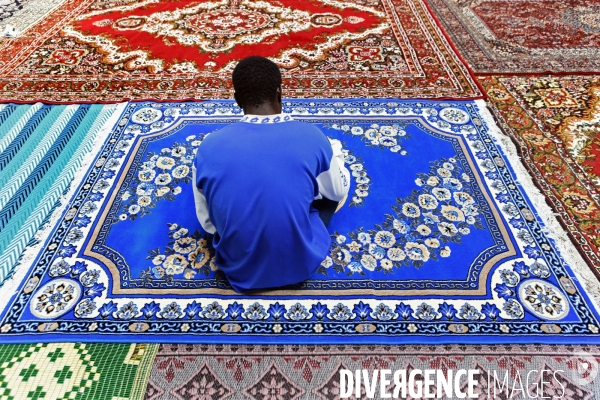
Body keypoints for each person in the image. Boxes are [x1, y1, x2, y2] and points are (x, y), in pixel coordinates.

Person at [192, 56, 350, 293]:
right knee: (327, 190)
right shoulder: (313, 137)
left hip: (239, 269)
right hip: (300, 264)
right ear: (280, 92)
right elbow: (336, 192)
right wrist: (334, 155)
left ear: (236, 100)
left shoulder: (207, 147)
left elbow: (208, 223)